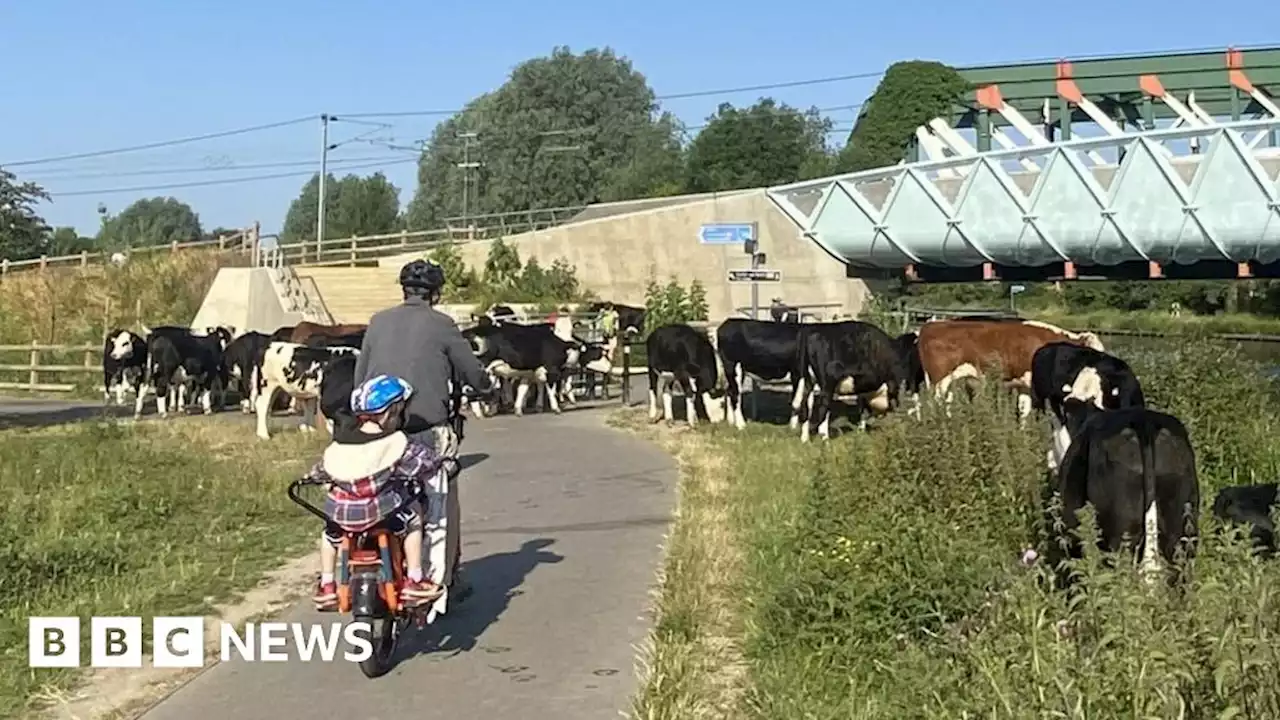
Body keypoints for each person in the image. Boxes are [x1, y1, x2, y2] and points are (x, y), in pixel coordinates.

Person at [354, 258, 494, 599]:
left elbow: (361, 379)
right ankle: (440, 579)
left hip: (376, 431)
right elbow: (471, 373)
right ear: (436, 293)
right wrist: (486, 386)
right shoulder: (442, 324)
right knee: (441, 503)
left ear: (404, 291)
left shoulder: (377, 322)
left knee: (374, 493)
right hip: (426, 430)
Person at [309, 374, 446, 610]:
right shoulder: (395, 442)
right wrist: (440, 461)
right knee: (413, 516)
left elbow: (321, 471)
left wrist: (312, 477)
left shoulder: (341, 444)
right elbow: (424, 463)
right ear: (392, 412)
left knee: (328, 534)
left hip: (341, 517)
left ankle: (328, 583)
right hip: (380, 513)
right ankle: (414, 577)